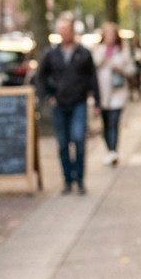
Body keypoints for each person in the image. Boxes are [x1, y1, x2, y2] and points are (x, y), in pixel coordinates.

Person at [36, 14, 99, 194]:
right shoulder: (51, 53)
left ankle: (79, 179)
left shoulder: (83, 53)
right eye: (61, 31)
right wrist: (47, 96)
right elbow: (40, 77)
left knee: (78, 139)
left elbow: (92, 78)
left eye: (67, 30)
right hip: (60, 104)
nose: (64, 34)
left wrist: (97, 102)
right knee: (63, 143)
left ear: (73, 32)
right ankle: (67, 180)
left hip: (78, 102)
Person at [92, 22, 135, 166]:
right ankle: (109, 149)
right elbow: (93, 68)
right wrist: (105, 56)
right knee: (105, 124)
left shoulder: (123, 50)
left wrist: (121, 69)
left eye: (112, 33)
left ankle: (113, 151)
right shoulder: (98, 50)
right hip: (103, 93)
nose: (110, 36)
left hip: (118, 92)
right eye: (107, 33)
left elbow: (131, 69)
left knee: (114, 122)